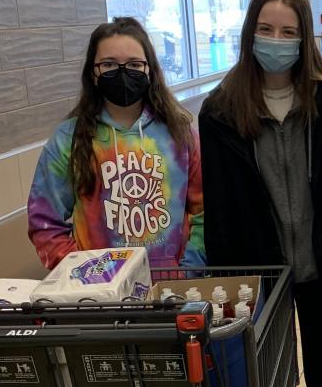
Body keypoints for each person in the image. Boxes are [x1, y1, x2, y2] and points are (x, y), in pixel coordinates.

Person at [199, 0, 322, 387]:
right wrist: (226, 279)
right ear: (250, 33)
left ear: (305, 39)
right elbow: (219, 207)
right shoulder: (220, 111)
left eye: (288, 32)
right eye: (266, 29)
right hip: (258, 269)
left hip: (318, 262)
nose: (276, 40)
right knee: (268, 377)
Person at [28, 17, 204, 273]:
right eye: (109, 64)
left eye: (134, 64)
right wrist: (86, 275)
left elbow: (205, 213)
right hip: (100, 290)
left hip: (172, 288)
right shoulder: (68, 139)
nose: (122, 73)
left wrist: (188, 272)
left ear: (150, 69)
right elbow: (45, 225)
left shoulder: (180, 134)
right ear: (93, 72)